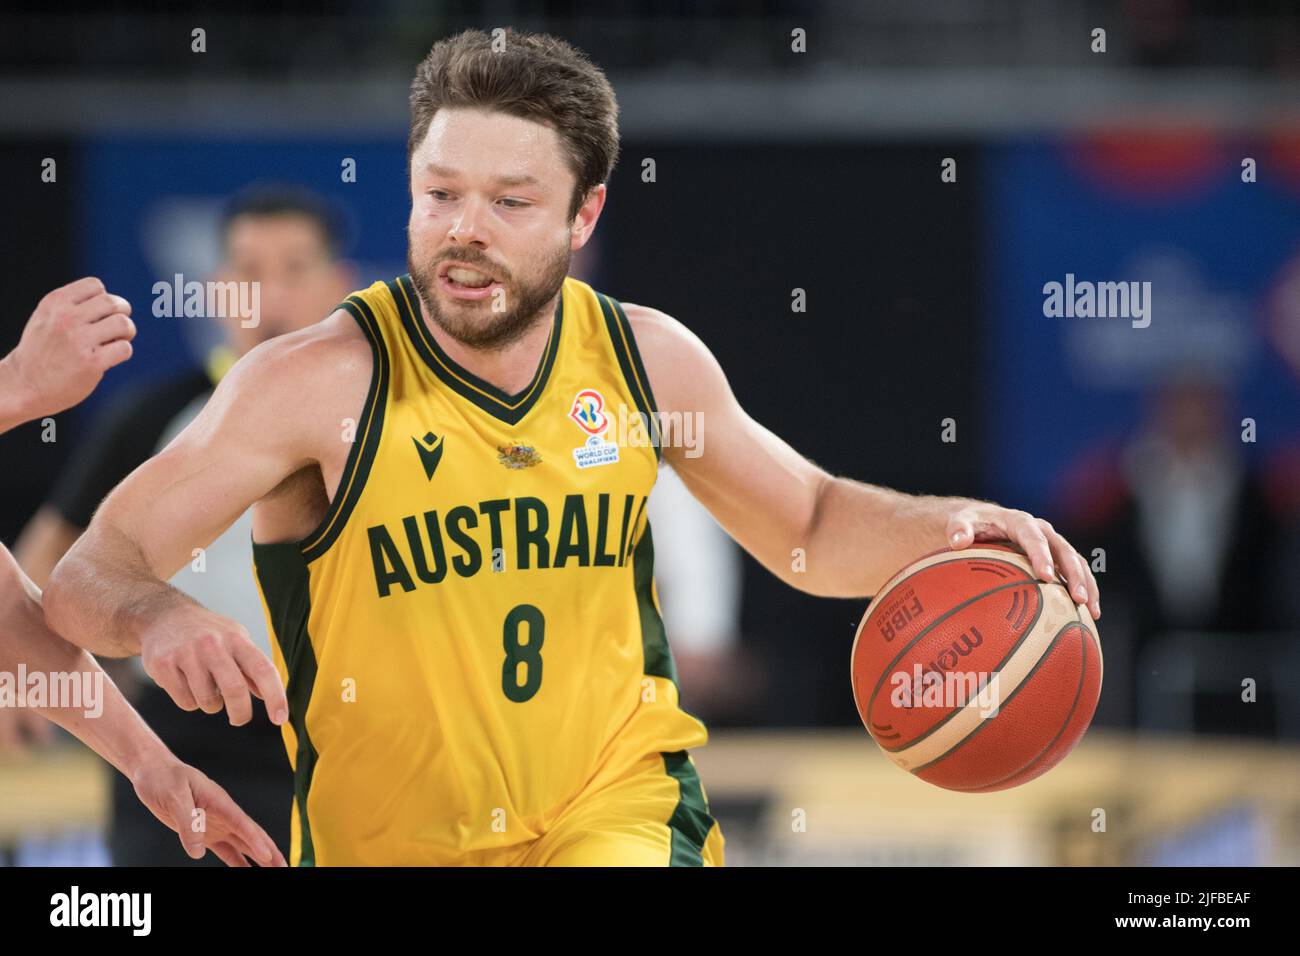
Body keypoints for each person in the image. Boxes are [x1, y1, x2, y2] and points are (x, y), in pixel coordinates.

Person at [44, 29, 1100, 867]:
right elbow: (86, 577)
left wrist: (948, 524)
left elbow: (811, 527)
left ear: (583, 211)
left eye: (509, 203)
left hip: (615, 808)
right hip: (387, 838)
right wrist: (160, 608)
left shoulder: (646, 359)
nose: (465, 229)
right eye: (440, 194)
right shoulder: (311, 382)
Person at [10, 185, 353, 864]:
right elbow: (45, 563)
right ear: (220, 290)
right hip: (184, 736)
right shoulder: (152, 417)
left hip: (338, 741)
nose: (269, 297)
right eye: (248, 273)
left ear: (340, 284)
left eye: (293, 269)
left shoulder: (386, 416)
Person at [0, 277, 284, 867]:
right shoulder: (157, 414)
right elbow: (67, 569)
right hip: (190, 722)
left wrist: (146, 761)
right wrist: (17, 384)